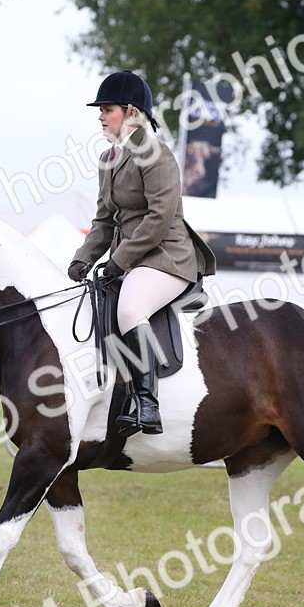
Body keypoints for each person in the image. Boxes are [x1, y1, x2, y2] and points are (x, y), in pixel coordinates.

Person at [68, 70, 216, 437]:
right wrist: (81, 260)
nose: (101, 116)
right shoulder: (109, 159)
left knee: (131, 308)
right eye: (100, 110)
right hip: (133, 257)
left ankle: (147, 402)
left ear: (131, 112)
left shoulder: (155, 153)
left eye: (108, 109)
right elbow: (103, 220)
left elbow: (160, 218)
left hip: (167, 255)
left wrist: (118, 261)